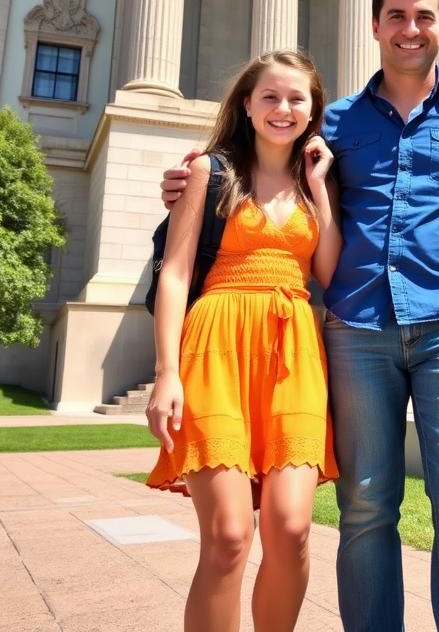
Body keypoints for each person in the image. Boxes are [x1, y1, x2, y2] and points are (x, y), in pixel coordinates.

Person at [162, 0, 439, 632]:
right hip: (357, 328)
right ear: (375, 26)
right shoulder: (331, 122)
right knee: (366, 503)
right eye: (396, 15)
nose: (411, 28)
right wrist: (191, 179)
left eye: (424, 16)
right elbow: (261, 167)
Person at [145, 49, 340, 632]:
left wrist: (321, 189)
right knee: (229, 536)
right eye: (271, 97)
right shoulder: (209, 171)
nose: (283, 108)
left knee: (291, 529)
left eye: (296, 98)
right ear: (248, 105)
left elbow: (328, 274)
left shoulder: (316, 183)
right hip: (215, 348)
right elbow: (175, 274)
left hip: (295, 351)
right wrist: (165, 373)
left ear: (312, 109)